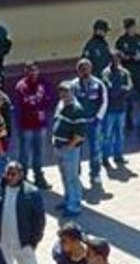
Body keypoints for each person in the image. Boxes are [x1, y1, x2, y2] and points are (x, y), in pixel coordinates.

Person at [13, 62, 53, 189]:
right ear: (25, 71)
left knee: (39, 152)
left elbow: (49, 99)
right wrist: (36, 106)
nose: (33, 73)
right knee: (24, 153)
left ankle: (39, 177)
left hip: (41, 124)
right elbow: (23, 103)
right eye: (30, 70)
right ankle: (22, 178)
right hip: (26, 125)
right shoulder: (21, 86)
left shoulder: (43, 83)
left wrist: (39, 107)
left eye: (35, 70)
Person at [69, 59, 109, 187]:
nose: (84, 71)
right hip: (78, 125)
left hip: (93, 123)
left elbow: (104, 101)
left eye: (86, 68)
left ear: (91, 69)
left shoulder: (98, 84)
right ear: (78, 70)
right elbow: (68, 103)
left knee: (95, 149)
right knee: (76, 150)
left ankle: (95, 174)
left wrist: (99, 117)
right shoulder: (73, 85)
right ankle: (76, 174)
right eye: (82, 68)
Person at [52, 83, 87, 217]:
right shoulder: (61, 106)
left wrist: (69, 147)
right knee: (64, 176)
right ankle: (67, 200)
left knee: (72, 178)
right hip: (59, 148)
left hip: (69, 150)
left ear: (73, 92)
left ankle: (74, 206)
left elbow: (79, 135)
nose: (63, 94)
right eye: (61, 91)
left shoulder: (77, 110)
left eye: (66, 91)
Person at [115, 17, 140, 137]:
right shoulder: (121, 41)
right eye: (129, 27)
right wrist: (125, 57)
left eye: (133, 27)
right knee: (128, 99)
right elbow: (118, 54)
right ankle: (128, 123)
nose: (132, 29)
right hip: (128, 73)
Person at [101, 52, 134, 170]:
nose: (116, 61)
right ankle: (104, 157)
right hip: (109, 108)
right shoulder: (106, 73)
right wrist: (121, 90)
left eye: (118, 59)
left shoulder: (125, 72)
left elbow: (130, 87)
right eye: (113, 59)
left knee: (120, 133)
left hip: (121, 107)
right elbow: (109, 89)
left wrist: (120, 90)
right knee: (107, 135)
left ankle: (118, 155)